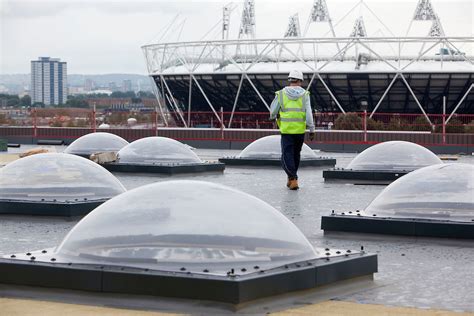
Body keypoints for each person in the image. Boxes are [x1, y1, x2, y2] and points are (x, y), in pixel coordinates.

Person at [269, 70, 315, 190]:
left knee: (286, 155)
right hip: (300, 130)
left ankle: (293, 178)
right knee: (296, 155)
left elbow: (273, 110)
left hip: (286, 130)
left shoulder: (281, 94)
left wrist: (273, 117)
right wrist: (311, 129)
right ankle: (291, 178)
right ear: (300, 81)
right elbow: (309, 113)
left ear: (289, 80)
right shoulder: (305, 94)